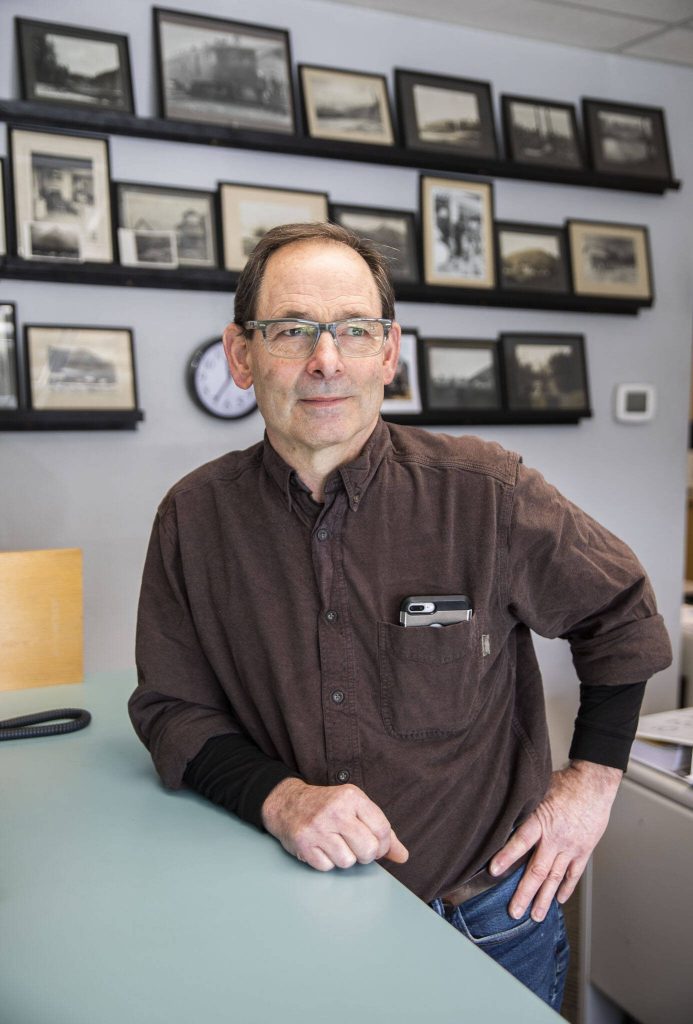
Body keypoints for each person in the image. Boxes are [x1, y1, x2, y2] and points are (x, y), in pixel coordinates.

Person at [129, 222, 672, 1011]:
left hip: (486, 923)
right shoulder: (193, 518)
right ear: (241, 355)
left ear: (388, 354)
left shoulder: (486, 494)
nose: (326, 359)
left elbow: (620, 614)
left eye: (355, 329)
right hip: (286, 914)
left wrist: (590, 786)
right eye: (291, 329)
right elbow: (172, 709)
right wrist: (280, 797)